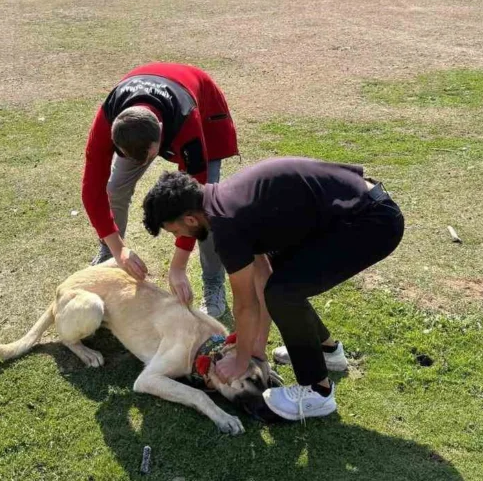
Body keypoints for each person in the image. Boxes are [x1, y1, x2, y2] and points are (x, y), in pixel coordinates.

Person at [140, 157, 404, 421]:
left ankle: (317, 391)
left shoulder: (225, 223)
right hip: (360, 209)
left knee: (284, 292)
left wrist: (241, 361)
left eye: (175, 231)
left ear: (190, 219)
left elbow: (245, 305)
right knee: (280, 282)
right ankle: (327, 351)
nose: (179, 238)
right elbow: (263, 278)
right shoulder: (223, 202)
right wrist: (256, 350)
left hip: (371, 222)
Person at [82, 63, 239, 317]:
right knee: (115, 188)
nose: (142, 164)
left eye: (149, 156)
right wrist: (118, 248)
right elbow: (93, 190)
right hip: (143, 123)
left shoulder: (186, 121)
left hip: (201, 109)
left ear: (162, 136)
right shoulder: (110, 118)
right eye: (129, 156)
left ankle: (213, 281)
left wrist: (178, 266)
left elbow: (195, 204)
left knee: (208, 210)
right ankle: (108, 253)